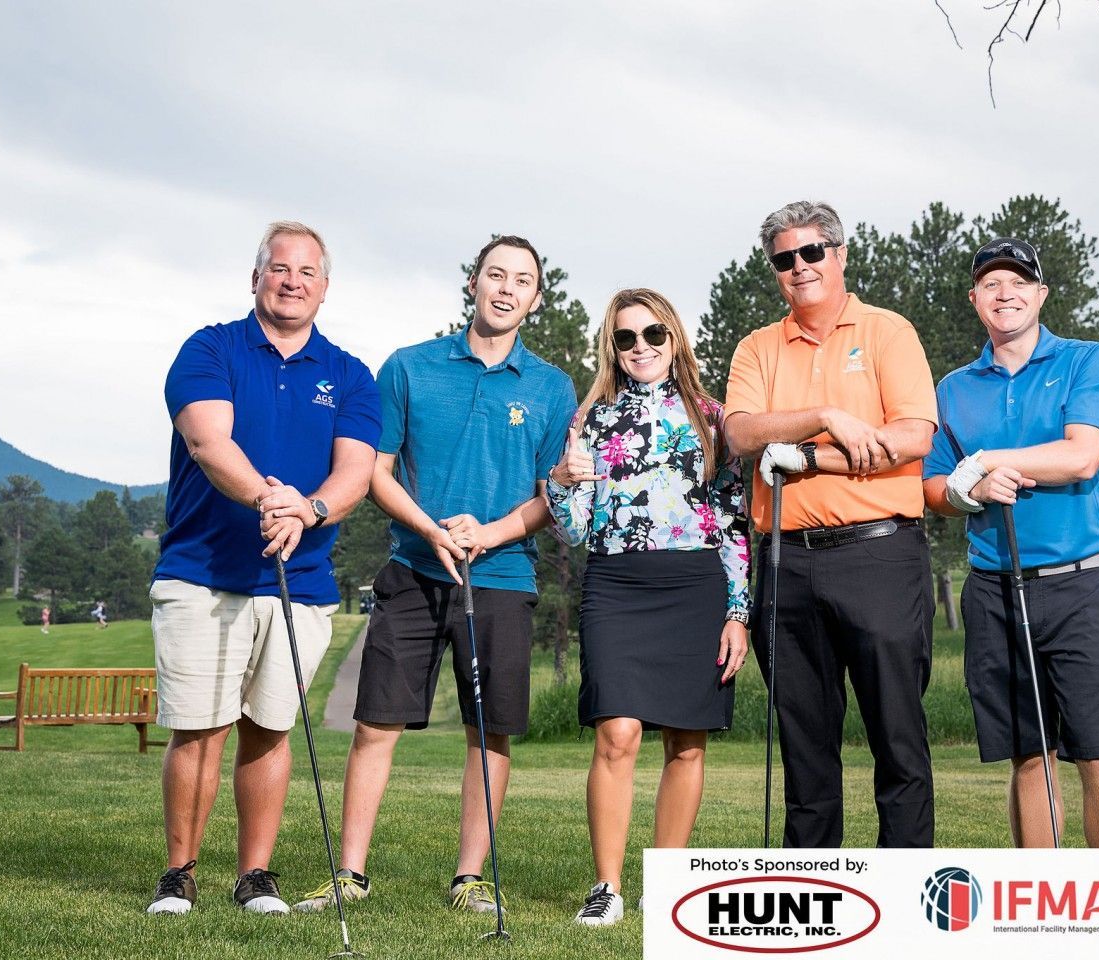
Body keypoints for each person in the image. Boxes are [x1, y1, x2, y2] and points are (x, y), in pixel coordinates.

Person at [294, 236, 576, 917]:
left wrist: (491, 533)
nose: (505, 289)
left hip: (502, 574)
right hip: (414, 570)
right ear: (473, 284)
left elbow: (553, 492)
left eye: (521, 281)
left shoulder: (550, 387)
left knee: (491, 731)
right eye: (494, 275)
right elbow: (374, 471)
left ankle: (468, 879)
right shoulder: (409, 368)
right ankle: (350, 875)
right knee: (375, 725)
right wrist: (428, 528)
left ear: (535, 299)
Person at [145, 221, 381, 916]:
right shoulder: (210, 348)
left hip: (299, 583)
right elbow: (206, 438)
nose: (291, 282)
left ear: (324, 288)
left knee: (269, 728)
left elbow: (355, 476)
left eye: (307, 272)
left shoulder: (349, 375)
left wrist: (306, 510)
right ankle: (179, 873)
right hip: (202, 573)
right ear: (256, 278)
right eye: (279, 269)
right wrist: (267, 497)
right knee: (199, 727)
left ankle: (255, 875)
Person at [723, 200, 938, 848]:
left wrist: (809, 456)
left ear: (838, 255)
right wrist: (826, 415)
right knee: (804, 751)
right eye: (783, 259)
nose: (799, 267)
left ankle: (900, 905)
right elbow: (739, 433)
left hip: (879, 556)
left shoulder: (886, 332)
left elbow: (908, 438)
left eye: (811, 252)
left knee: (896, 740)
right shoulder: (757, 347)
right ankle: (812, 912)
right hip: (788, 563)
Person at [922, 236, 1099, 848]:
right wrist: (969, 490)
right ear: (975, 300)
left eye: (1018, 282)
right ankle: (1040, 915)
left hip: (1080, 585)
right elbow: (933, 488)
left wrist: (985, 462)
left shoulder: (1086, 360)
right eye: (991, 284)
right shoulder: (955, 388)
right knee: (1028, 756)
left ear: (1040, 294)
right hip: (994, 587)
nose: (1005, 293)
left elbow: (1081, 455)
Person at [547, 288, 750, 926]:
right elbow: (575, 529)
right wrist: (559, 484)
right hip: (617, 586)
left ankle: (669, 888)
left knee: (687, 743)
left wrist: (737, 611)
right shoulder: (591, 419)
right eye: (626, 338)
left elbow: (735, 522)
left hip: (696, 586)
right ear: (612, 347)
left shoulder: (715, 418)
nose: (640, 348)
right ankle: (607, 887)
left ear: (675, 340)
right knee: (618, 734)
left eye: (652, 335)